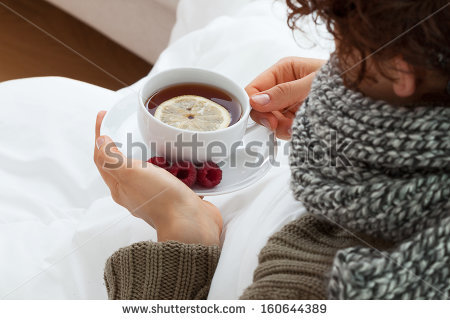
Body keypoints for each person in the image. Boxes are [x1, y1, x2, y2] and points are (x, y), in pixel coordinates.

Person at [95, 0, 450, 299]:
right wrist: (361, 89)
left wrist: (180, 226)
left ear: (401, 72)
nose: (335, 67)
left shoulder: (322, 280)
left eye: (342, 46)